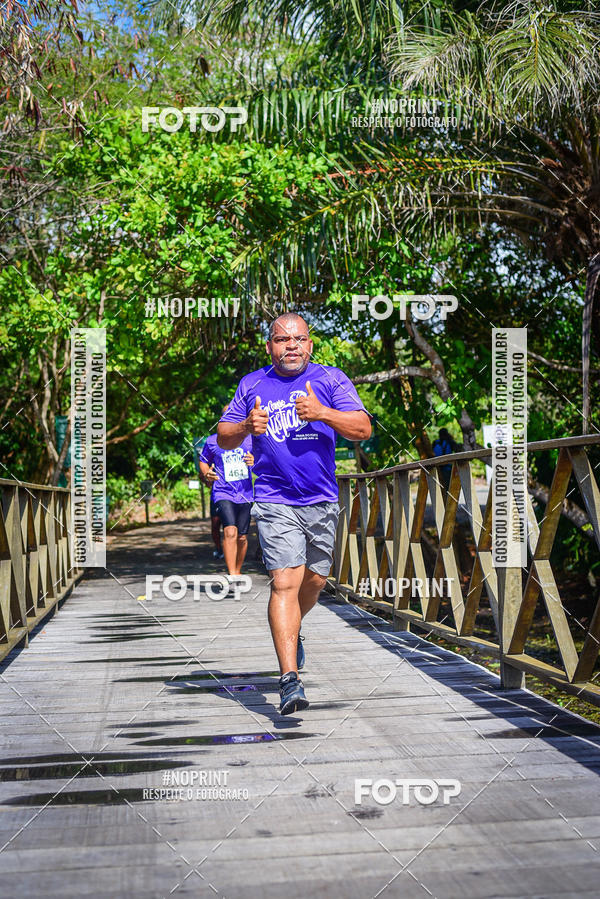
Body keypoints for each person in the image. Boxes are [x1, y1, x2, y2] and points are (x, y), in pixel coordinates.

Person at [217, 312, 371, 715]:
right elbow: (223, 434)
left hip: (321, 498)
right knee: (285, 582)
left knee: (316, 580)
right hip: (273, 498)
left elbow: (362, 428)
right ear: (269, 346)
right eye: (282, 340)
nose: (291, 346)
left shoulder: (331, 379)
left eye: (298, 339)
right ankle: (289, 680)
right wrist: (246, 425)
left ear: (310, 344)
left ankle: (293, 629)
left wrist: (323, 414)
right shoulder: (253, 384)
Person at [199, 405, 255, 577]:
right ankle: (232, 575)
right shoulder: (212, 441)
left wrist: (255, 460)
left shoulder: (251, 439)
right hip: (223, 492)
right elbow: (203, 460)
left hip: (245, 493)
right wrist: (207, 473)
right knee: (230, 531)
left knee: (242, 537)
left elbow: (265, 459)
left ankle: (237, 570)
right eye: (226, 415)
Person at [432, 427, 459, 492]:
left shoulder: (435, 443)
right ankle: (448, 501)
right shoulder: (449, 442)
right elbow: (457, 450)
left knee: (440, 489)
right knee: (448, 488)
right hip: (447, 469)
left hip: (437, 468)